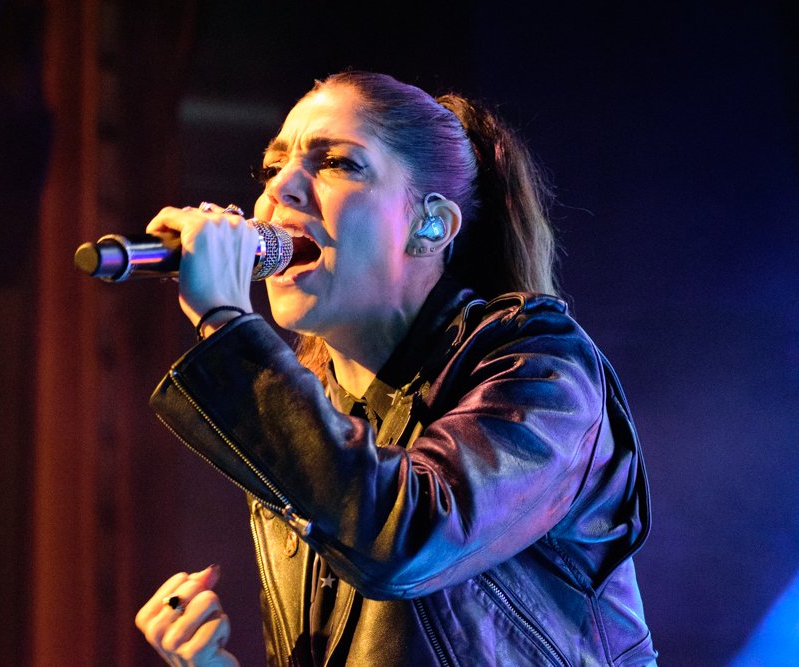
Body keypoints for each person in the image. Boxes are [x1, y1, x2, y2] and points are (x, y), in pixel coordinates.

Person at [134, 70, 656, 666]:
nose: (281, 189)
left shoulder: (544, 372)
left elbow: (405, 540)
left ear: (430, 225)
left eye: (336, 162)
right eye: (273, 166)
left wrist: (227, 324)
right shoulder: (309, 426)